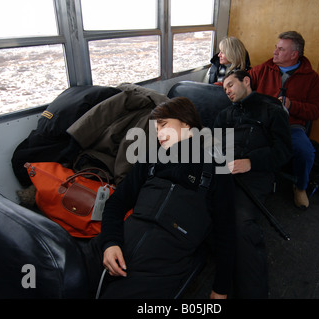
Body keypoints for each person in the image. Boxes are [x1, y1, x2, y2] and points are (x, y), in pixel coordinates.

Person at [92, 97, 236, 299]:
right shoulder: (150, 159)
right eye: (156, 129)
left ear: (186, 123)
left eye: (163, 125)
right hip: (118, 244)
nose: (158, 133)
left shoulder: (215, 170)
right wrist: (110, 243)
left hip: (160, 265)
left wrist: (221, 288)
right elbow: (116, 203)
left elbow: (226, 231)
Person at [213, 70, 292, 298]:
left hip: (254, 173)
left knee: (240, 223)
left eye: (230, 85)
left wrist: (251, 162)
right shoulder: (223, 115)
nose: (226, 90)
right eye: (224, 88)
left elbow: (284, 151)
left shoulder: (272, 111)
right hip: (223, 172)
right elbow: (213, 148)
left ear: (246, 81)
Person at [248, 31, 319, 209]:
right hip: (261, 123)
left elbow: (317, 110)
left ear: (294, 54)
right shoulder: (263, 69)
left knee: (306, 152)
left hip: (292, 127)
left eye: (281, 49)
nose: (274, 52)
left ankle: (300, 187)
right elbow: (242, 82)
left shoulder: (312, 79)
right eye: (276, 47)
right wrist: (220, 87)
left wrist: (293, 105)